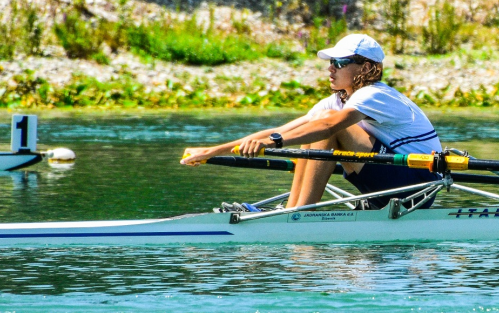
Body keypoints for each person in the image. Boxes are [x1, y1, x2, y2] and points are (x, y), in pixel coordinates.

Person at [180, 34, 443, 209]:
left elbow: (326, 127)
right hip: (391, 179)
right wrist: (213, 151)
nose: (330, 68)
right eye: (331, 62)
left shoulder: (375, 94)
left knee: (325, 125)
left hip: (418, 184)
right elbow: (281, 130)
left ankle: (300, 214)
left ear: (365, 68)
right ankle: (294, 210)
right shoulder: (338, 101)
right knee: (314, 124)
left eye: (339, 62)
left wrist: (274, 143)